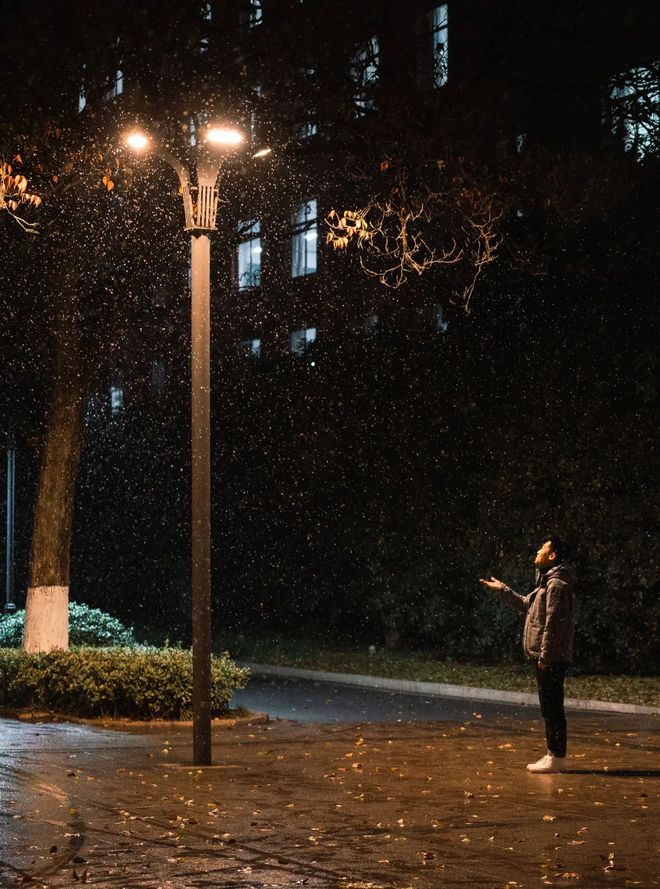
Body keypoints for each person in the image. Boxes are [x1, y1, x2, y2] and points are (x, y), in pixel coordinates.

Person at [480, 536, 576, 773]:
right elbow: (527, 605)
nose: (538, 551)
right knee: (549, 706)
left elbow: (554, 624)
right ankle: (553, 754)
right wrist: (503, 589)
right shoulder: (546, 583)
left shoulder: (556, 585)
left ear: (552, 556)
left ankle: (556, 757)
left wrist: (546, 656)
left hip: (550, 658)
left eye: (543, 548)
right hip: (547, 656)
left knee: (552, 707)